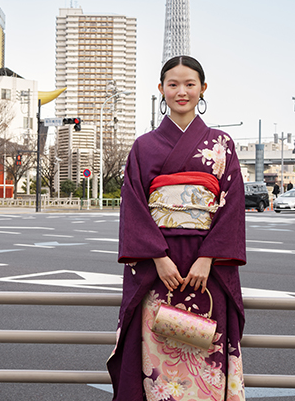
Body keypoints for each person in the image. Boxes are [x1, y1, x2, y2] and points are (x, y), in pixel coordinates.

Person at [107, 55, 246, 401]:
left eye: (189, 84)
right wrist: (158, 258)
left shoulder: (222, 144)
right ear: (161, 89)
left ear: (203, 89)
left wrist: (209, 258)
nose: (181, 91)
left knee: (207, 358)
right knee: (157, 363)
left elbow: (232, 206)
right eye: (173, 84)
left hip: (207, 271)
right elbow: (135, 207)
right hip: (158, 271)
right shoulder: (143, 146)